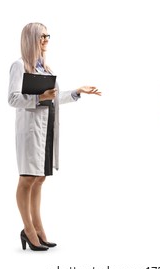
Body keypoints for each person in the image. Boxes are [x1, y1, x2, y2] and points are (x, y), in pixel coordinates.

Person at [8, 22, 101, 251]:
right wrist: (39, 98)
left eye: (48, 35)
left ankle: (38, 229)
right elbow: (12, 99)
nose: (46, 39)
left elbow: (54, 98)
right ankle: (29, 230)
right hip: (30, 131)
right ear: (31, 39)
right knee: (28, 178)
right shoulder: (19, 66)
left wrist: (77, 92)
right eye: (42, 36)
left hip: (47, 127)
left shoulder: (46, 68)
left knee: (40, 178)